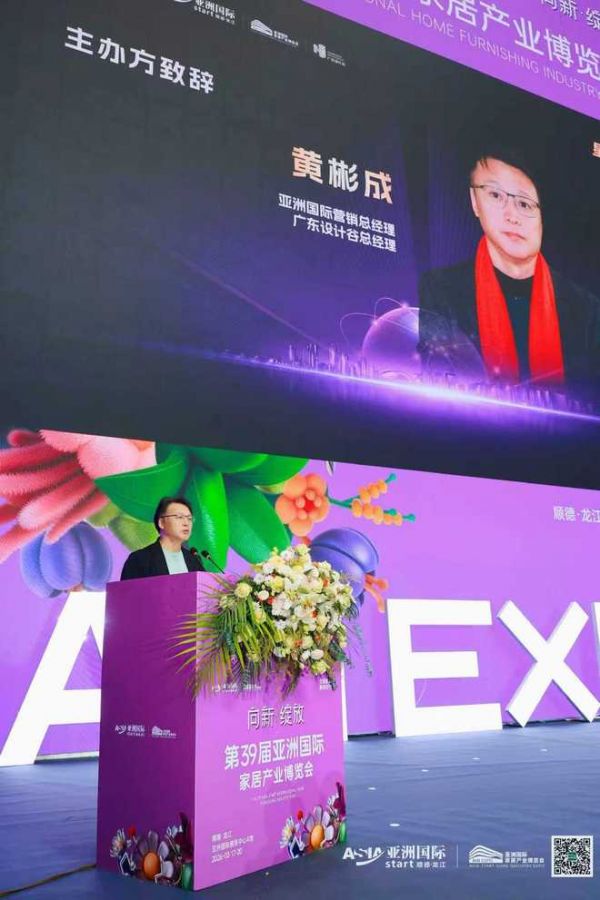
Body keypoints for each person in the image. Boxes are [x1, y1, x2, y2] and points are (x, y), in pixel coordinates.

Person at [418, 148, 600, 390]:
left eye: (524, 204)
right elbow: (437, 386)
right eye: (495, 195)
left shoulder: (586, 311)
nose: (511, 216)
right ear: (475, 201)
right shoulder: (440, 290)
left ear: (543, 216)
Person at [120, 496, 205, 580]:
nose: (186, 523)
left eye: (189, 519)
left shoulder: (194, 560)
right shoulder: (139, 559)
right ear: (161, 523)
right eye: (179, 517)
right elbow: (128, 589)